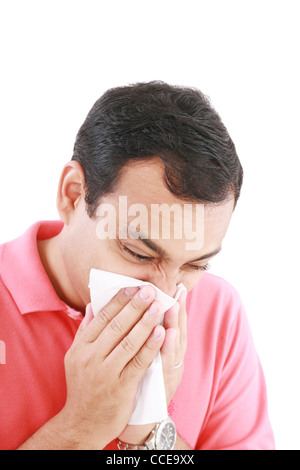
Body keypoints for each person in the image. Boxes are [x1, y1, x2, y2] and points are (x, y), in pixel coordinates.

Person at [0, 81, 275, 450]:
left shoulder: (218, 313)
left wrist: (148, 431)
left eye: (195, 265)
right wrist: (81, 427)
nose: (163, 294)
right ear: (73, 195)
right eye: (139, 253)